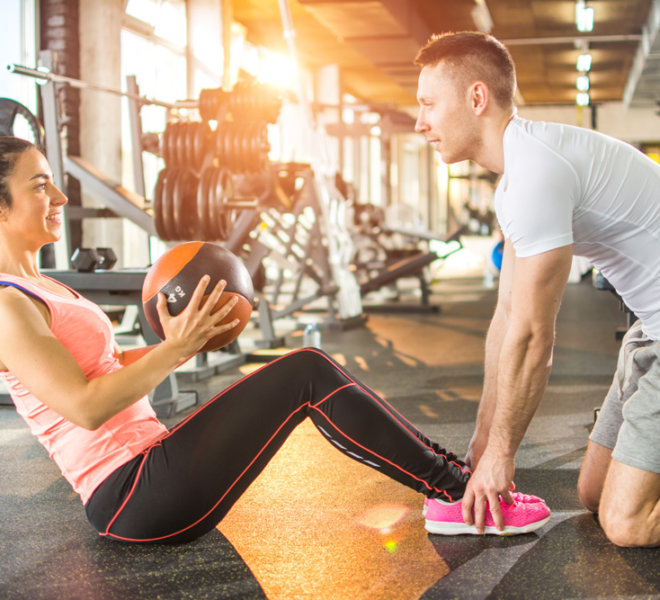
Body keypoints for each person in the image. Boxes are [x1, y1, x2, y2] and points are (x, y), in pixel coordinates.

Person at [0, 136, 549, 543]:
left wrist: (191, 339)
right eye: (40, 184)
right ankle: (456, 494)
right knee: (304, 370)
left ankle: (457, 484)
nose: (59, 197)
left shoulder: (43, 285)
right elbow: (84, 406)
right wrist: (175, 349)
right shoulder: (5, 303)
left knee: (304, 370)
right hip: (133, 494)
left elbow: (106, 365)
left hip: (150, 471)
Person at [414, 31, 660, 547]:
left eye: (429, 105)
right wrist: (483, 437)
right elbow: (505, 318)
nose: (421, 123)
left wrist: (504, 455)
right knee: (594, 494)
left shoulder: (535, 173)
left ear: (476, 98)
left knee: (628, 523)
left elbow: (533, 338)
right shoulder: (515, 179)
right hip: (649, 329)